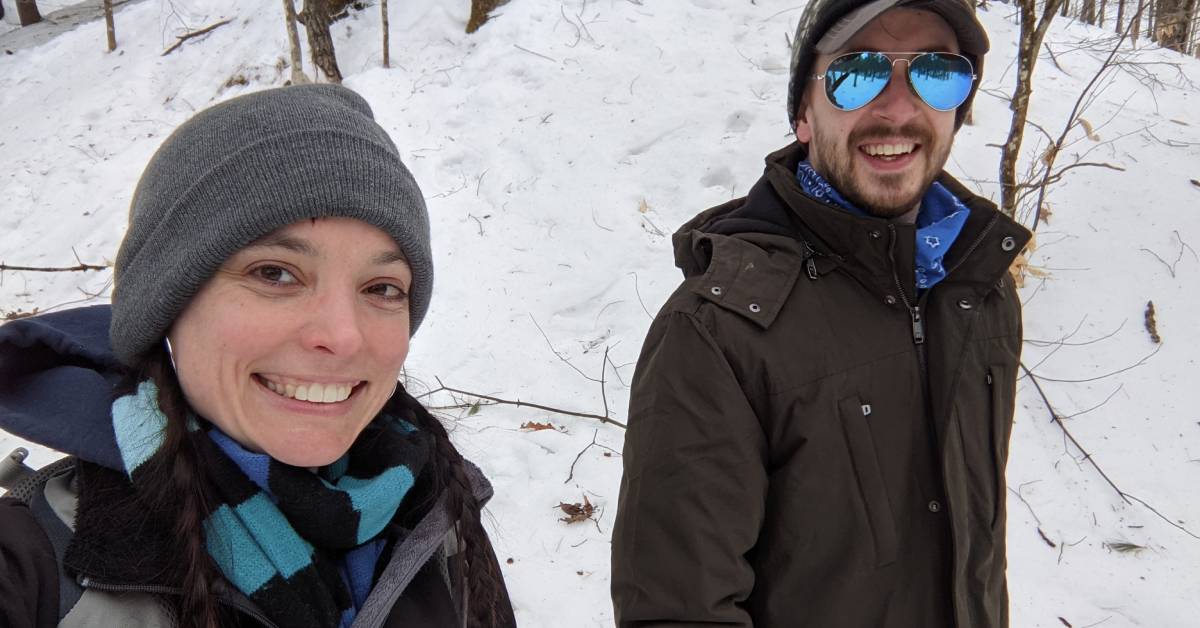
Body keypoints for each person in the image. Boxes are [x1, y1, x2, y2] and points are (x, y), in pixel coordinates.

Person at [0, 84, 516, 628]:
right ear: (165, 305)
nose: (343, 337)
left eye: (382, 287)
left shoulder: (433, 509)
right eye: (275, 273)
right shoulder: (29, 573)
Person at [611, 0, 1031, 626]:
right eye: (857, 73)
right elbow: (678, 611)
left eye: (936, 74)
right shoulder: (720, 331)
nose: (897, 107)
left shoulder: (977, 290)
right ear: (803, 113)